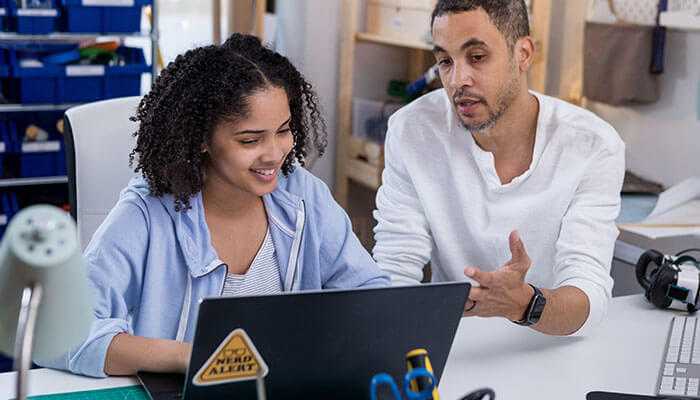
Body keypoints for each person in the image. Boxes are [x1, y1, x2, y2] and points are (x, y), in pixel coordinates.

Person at [43, 33, 389, 378]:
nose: (275, 154)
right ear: (202, 139)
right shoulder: (148, 212)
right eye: (250, 140)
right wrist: (192, 357)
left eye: (283, 131)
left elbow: (374, 297)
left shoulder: (303, 194)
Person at [373, 0, 625, 336]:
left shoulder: (593, 144)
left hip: (551, 341)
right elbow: (395, 267)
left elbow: (588, 292)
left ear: (523, 54)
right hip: (455, 340)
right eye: (445, 61)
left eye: (477, 57)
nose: (457, 80)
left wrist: (524, 304)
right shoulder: (412, 129)